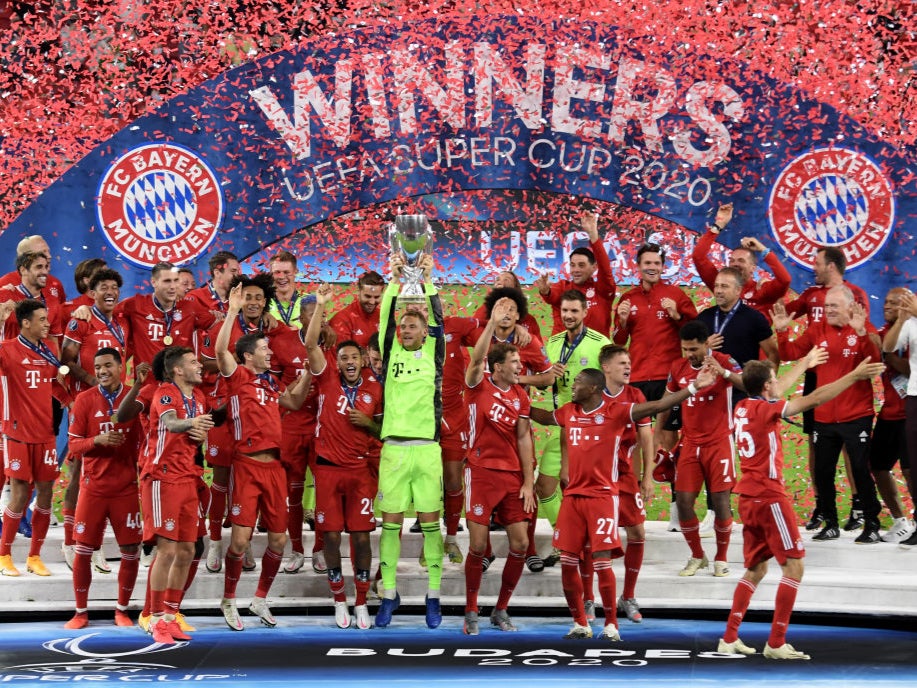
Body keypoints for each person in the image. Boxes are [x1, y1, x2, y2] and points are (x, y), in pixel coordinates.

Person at [718, 353, 884, 660]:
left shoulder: (742, 407)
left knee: (755, 569)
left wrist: (805, 362)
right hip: (769, 498)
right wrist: (854, 376)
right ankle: (777, 642)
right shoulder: (767, 410)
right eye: (773, 381)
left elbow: (775, 389)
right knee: (793, 566)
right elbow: (814, 398)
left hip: (747, 498)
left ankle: (728, 638)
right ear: (767, 385)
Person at [530, 367, 715, 640]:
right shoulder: (569, 411)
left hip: (603, 498)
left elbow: (659, 404)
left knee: (602, 562)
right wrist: (516, 396)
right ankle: (580, 623)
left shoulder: (616, 411)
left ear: (593, 388)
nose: (573, 386)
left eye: (578, 383)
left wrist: (694, 388)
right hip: (573, 500)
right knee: (569, 562)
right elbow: (544, 417)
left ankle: (611, 625)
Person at [216, 284, 311, 631]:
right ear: (247, 356)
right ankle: (228, 600)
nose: (270, 353)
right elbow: (220, 350)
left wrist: (307, 378)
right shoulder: (238, 376)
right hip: (246, 466)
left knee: (278, 540)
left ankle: (259, 598)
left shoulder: (271, 384)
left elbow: (294, 402)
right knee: (240, 541)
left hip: (275, 469)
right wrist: (231, 311)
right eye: (264, 349)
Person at [774, 285, 883, 542]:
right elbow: (789, 353)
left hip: (857, 414)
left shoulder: (862, 328)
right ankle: (831, 522)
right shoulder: (817, 329)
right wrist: (781, 331)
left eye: (833, 306)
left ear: (849, 306)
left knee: (859, 469)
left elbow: (875, 361)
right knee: (823, 472)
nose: (827, 311)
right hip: (823, 415)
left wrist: (861, 332)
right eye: (825, 307)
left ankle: (872, 523)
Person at [305, 284, 383, 630]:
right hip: (327, 471)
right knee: (332, 538)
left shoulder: (376, 389)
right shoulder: (327, 381)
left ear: (364, 361)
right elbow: (309, 344)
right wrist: (321, 306)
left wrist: (369, 424)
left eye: (355, 357)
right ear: (336, 362)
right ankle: (339, 599)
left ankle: (362, 600)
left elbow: (387, 431)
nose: (349, 362)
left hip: (360, 472)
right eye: (344, 358)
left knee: (362, 538)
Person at [374, 252, 445, 629]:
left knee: (432, 526)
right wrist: (395, 281)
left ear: (424, 332)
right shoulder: (392, 352)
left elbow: (440, 320)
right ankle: (388, 595)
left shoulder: (434, 352)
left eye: (412, 326)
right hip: (394, 452)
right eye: (402, 326)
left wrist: (428, 280)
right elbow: (385, 319)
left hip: (427, 450)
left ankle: (433, 596)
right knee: (390, 528)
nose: (405, 330)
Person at [461, 300, 536, 635]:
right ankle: (471, 609)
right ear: (499, 366)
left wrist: (528, 482)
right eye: (515, 362)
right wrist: (491, 324)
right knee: (478, 546)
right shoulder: (478, 384)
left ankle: (501, 609)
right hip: (479, 472)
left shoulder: (521, 396)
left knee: (519, 544)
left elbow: (523, 438)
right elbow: (476, 359)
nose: (521, 366)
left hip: (511, 478)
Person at [783, 246, 871, 531]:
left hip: (850, 391)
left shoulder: (856, 301)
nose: (813, 268)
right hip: (818, 378)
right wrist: (782, 327)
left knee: (854, 455)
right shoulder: (811, 305)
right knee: (820, 453)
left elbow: (871, 351)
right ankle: (825, 511)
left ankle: (861, 510)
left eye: (817, 263)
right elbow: (790, 345)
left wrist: (860, 332)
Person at [612, 241, 699, 530]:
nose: (652, 267)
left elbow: (694, 332)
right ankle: (634, 506)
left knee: (668, 442)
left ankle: (677, 510)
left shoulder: (675, 295)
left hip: (668, 379)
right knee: (634, 442)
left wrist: (676, 316)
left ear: (663, 266)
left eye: (656, 263)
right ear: (638, 266)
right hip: (636, 379)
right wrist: (622, 321)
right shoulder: (628, 298)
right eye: (647, 263)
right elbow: (618, 342)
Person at [200, 272, 277, 572]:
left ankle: (241, 544)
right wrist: (233, 360)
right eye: (249, 296)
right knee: (220, 482)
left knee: (249, 482)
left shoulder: (272, 331)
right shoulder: (223, 326)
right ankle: (216, 541)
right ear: (239, 299)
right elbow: (207, 361)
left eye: (260, 298)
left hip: (254, 416)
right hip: (224, 410)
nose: (254, 302)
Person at [64, 348, 144, 629]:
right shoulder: (84, 400)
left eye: (107, 365)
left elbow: (146, 441)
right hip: (93, 489)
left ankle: (122, 610)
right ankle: (80, 612)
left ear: (121, 366)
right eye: (97, 367)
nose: (101, 371)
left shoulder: (135, 400)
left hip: (126, 489)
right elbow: (73, 446)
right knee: (83, 549)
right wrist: (96, 440)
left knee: (130, 550)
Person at [658, 320, 744, 577]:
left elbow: (749, 385)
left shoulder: (725, 361)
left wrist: (724, 372)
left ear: (707, 344)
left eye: (694, 349)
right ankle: (697, 555)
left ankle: (721, 557)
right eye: (685, 349)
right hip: (690, 443)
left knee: (720, 501)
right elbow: (666, 401)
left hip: (719, 442)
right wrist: (657, 438)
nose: (689, 355)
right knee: (683, 501)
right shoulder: (678, 367)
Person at [140, 347, 214, 644]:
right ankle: (155, 618)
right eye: (194, 362)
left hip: (188, 479)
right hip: (162, 478)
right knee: (167, 551)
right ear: (178, 370)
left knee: (187, 551)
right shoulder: (165, 392)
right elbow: (171, 424)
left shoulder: (199, 399)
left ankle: (171, 617)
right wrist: (193, 424)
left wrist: (201, 433)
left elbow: (194, 435)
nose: (200, 366)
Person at [60, 267, 130, 573]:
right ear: (92, 291)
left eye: (114, 287)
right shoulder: (81, 319)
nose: (110, 292)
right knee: (79, 470)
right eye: (103, 287)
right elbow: (66, 359)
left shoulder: (121, 321)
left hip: (116, 403)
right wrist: (93, 383)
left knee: (109, 471)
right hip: (86, 402)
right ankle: (69, 540)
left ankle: (95, 543)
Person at [0, 300, 71, 577]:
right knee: (19, 494)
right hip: (16, 433)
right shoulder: (6, 350)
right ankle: (5, 555)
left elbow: (54, 383)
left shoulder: (49, 350)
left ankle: (34, 556)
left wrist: (71, 402)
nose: (47, 324)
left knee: (44, 494)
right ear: (25, 323)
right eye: (41, 319)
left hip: (45, 435)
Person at [538, 290, 609, 563]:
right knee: (544, 487)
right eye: (565, 311)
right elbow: (541, 380)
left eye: (574, 311)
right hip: (560, 426)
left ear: (585, 312)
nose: (568, 315)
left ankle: (583, 546)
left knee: (580, 492)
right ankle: (565, 540)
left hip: (589, 431)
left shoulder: (600, 343)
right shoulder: (552, 343)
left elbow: (613, 385)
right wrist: (546, 375)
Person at [267, 295, 323, 574]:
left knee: (325, 493)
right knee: (293, 492)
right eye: (311, 316)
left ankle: (321, 549)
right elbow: (272, 382)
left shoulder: (333, 344)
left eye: (321, 316)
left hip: (324, 427)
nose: (317, 321)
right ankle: (298, 550)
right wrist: (292, 394)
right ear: (301, 317)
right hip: (292, 425)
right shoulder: (283, 343)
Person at [599, 345, 655, 623]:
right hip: (597, 479)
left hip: (625, 478)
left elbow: (646, 438)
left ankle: (628, 596)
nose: (628, 367)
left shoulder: (635, 396)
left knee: (637, 532)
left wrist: (647, 476)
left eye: (629, 362)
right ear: (606, 368)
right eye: (622, 363)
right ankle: (588, 598)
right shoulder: (593, 395)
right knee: (595, 539)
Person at [691, 203, 791, 317]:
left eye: (741, 261)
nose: (735, 264)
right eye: (732, 260)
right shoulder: (720, 283)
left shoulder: (762, 291)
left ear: (753, 268)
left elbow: (785, 280)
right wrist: (719, 224)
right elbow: (698, 256)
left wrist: (763, 250)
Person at [871, 288, 915, 543]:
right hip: (889, 412)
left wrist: (886, 355)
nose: (886, 306)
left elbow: (910, 370)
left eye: (893, 303)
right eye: (885, 301)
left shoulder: (913, 331)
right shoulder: (883, 333)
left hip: (910, 411)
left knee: (911, 470)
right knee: (878, 466)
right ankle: (900, 520)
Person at [535, 211, 616, 336]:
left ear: (594, 267)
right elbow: (552, 295)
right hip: (565, 353)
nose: (575, 270)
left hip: (596, 353)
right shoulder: (563, 287)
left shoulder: (602, 291)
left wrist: (593, 235)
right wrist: (546, 291)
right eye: (572, 265)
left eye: (581, 265)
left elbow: (606, 271)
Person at [696, 267, 778, 370]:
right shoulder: (703, 317)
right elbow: (690, 355)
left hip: (741, 384)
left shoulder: (755, 318)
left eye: (724, 286)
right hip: (709, 384)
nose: (718, 291)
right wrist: (704, 348)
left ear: (738, 290)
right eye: (716, 286)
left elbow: (773, 354)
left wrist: (768, 383)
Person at [0, 251, 64, 343]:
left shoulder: (52, 301)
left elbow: (53, 341)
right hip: (8, 356)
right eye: (39, 267)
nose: (45, 272)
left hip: (39, 356)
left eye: (46, 267)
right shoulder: (4, 295)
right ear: (23, 270)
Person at [329, 270, 386, 349]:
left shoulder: (384, 317)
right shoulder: (341, 319)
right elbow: (344, 356)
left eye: (376, 297)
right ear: (358, 293)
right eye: (368, 296)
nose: (372, 302)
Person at [185, 251, 242, 318]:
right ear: (217, 273)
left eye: (238, 272)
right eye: (233, 271)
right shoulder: (196, 298)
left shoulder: (240, 299)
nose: (237, 276)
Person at [268, 250, 306, 326]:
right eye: (277, 272)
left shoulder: (310, 302)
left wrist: (299, 334)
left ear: (295, 272)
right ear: (271, 273)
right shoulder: (262, 303)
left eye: (286, 272)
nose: (281, 277)